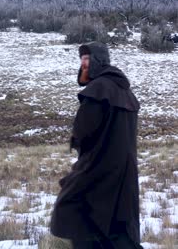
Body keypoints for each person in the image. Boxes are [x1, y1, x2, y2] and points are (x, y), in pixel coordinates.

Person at [50, 42, 143, 249]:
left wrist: (78, 147)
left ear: (98, 61)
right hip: (123, 168)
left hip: (98, 164)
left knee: (71, 207)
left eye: (87, 59)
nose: (83, 64)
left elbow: (83, 132)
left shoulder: (98, 89)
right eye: (81, 59)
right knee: (115, 221)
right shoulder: (122, 89)